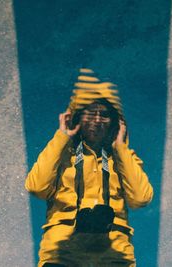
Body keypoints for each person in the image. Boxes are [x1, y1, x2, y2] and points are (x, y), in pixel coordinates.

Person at [25, 69, 153, 267]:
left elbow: (141, 198)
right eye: (90, 113)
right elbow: (36, 186)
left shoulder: (124, 160)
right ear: (76, 117)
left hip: (113, 256)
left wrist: (120, 146)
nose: (97, 120)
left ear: (115, 122)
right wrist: (62, 136)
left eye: (104, 115)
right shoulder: (60, 155)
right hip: (62, 255)